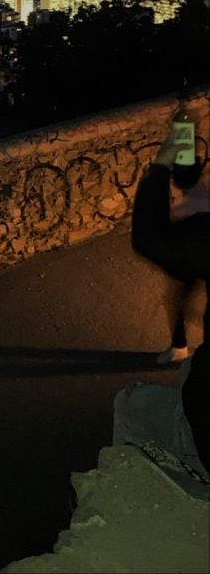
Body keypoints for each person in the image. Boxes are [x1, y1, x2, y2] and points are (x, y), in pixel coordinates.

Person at [116, 131, 210, 481]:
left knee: (130, 405)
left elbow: (150, 238)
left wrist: (160, 167)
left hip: (204, 437)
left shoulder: (190, 210)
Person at [157, 158, 209, 365]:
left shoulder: (180, 210)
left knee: (177, 303)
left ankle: (179, 347)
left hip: (190, 264)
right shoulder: (205, 194)